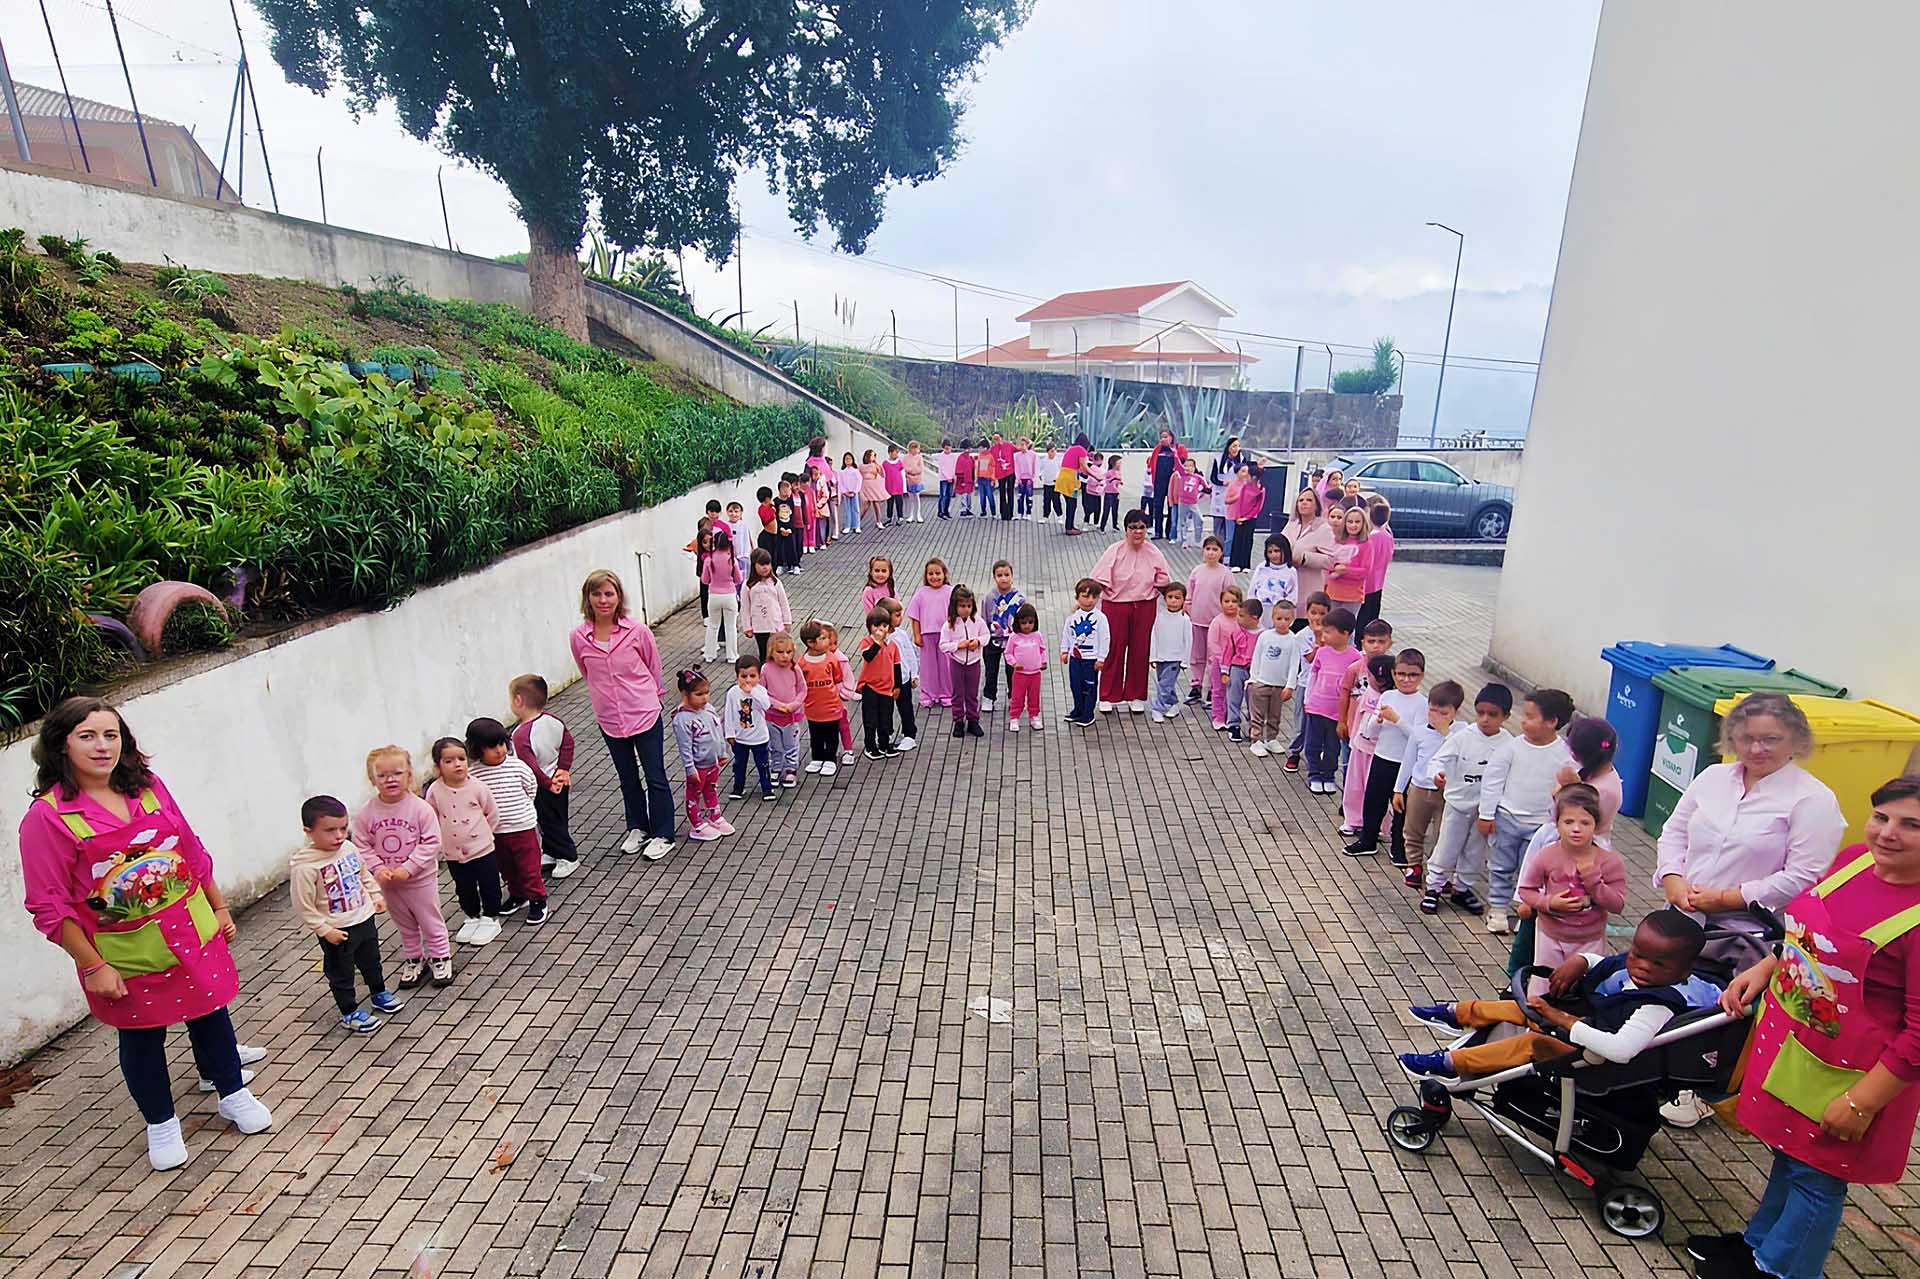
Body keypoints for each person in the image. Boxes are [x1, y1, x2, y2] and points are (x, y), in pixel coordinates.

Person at [18, 698, 272, 1169]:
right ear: (60, 744)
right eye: (87, 736)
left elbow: (191, 849)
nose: (102, 746)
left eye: (111, 735)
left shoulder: (149, 787)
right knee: (142, 1037)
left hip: (190, 931)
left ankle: (232, 1091)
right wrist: (93, 965)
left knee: (211, 1015)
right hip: (124, 952)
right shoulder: (48, 818)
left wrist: (218, 906)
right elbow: (48, 905)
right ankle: (161, 1122)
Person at [1698, 777, 1920, 1279]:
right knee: (1789, 1154)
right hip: (1797, 1046)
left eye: (1912, 825)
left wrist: (1863, 1101)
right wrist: (1767, 966)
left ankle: (1782, 1269)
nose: (1888, 833)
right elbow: (1807, 934)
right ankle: (1758, 1244)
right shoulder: (1855, 861)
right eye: (1882, 817)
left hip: (1853, 1077)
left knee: (1818, 1177)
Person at [1656, 693, 1847, 1130]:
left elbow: (1804, 877)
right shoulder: (1712, 778)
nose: (1756, 749)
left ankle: (1704, 1089)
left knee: (1723, 1008)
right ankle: (1660, 1068)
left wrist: (1729, 898)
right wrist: (1672, 879)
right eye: (1746, 738)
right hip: (1685, 915)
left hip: (1750, 933)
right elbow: (1672, 834)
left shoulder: (1812, 800)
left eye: (1770, 739)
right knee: (1671, 992)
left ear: (1795, 739)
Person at [1398, 910, 1719, 1081]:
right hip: (1589, 1027)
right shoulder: (1634, 966)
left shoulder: (1657, 1006)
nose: (1642, 966)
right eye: (1637, 953)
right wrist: (1580, 962)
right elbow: (1607, 966)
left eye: (1658, 963)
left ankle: (1452, 1064)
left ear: (1683, 972)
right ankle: (1459, 1015)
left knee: (1532, 1040)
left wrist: (1562, 1020)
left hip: (1596, 1059)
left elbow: (1621, 1050)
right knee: (1526, 1007)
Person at [571, 569, 675, 861]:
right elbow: (587, 672)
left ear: (618, 597)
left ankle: (663, 833)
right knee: (627, 777)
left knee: (655, 776)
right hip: (610, 718)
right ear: (587, 599)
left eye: (609, 593)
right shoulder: (579, 637)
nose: (603, 600)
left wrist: (652, 697)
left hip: (643, 712)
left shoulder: (637, 631)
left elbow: (653, 668)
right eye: (597, 594)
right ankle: (638, 827)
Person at [293, 795, 400, 1034]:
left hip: (364, 918)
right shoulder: (305, 867)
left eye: (343, 828)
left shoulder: (349, 848)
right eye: (330, 830)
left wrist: (375, 896)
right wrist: (325, 930)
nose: (339, 836)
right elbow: (304, 906)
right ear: (308, 831)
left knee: (371, 961)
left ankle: (378, 992)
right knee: (341, 972)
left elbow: (363, 874)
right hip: (337, 930)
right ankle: (349, 1012)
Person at [1479, 688, 1577, 935]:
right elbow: (1492, 780)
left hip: (1542, 826)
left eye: (1530, 717)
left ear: (1552, 722)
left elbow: (1572, 789)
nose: (1523, 721)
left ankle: (1526, 913)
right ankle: (1499, 910)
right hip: (1507, 818)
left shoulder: (1564, 754)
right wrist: (1486, 813)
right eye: (1524, 715)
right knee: (1500, 866)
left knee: (1532, 872)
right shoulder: (1512, 748)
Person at [354, 745, 452, 986]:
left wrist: (408, 868)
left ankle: (440, 956)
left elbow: (431, 842)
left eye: (397, 773)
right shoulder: (366, 813)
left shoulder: (420, 809)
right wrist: (378, 869)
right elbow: (361, 845)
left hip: (420, 880)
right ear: (372, 779)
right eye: (383, 775)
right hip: (389, 883)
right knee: (404, 923)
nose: (390, 780)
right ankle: (414, 957)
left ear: (409, 774)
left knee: (429, 919)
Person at [1516, 785, 1629, 989]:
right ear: (1557, 824)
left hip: (1590, 939)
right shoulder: (1547, 855)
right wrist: (1550, 903)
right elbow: (1526, 890)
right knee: (1544, 987)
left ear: (1596, 825)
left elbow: (1617, 904)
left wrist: (1593, 879)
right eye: (1568, 822)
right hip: (1550, 936)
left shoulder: (1609, 861)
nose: (1576, 829)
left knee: (1583, 989)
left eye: (1585, 822)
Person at [1419, 683, 1513, 916]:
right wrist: (1437, 775)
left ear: (1506, 716)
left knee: (1475, 850)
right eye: (1480, 712)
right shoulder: (1463, 737)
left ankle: (1462, 888)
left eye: (1493, 715)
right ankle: (1434, 886)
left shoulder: (1508, 743)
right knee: (1447, 846)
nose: (1485, 719)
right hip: (1458, 804)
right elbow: (1438, 760)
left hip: (1485, 809)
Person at [1348, 649, 1429, 861]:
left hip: (1405, 763)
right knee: (1374, 800)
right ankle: (1368, 839)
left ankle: (1399, 847)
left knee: (1402, 807)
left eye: (1412, 675)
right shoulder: (1388, 696)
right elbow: (1371, 730)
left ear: (1421, 676)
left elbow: (1417, 737)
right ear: (1394, 674)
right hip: (1382, 756)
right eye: (1401, 674)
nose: (1406, 679)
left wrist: (1397, 719)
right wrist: (1379, 720)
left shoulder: (1422, 703)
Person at [466, 717, 548, 926]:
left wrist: (523, 811)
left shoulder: (517, 767)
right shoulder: (473, 773)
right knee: (507, 867)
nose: (499, 750)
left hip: (522, 827)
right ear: (477, 750)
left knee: (529, 867)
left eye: (502, 744)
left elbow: (531, 788)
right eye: (492, 747)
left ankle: (538, 899)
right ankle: (517, 895)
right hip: (495, 832)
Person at [1089, 509, 1172, 713]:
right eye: (1133, 527)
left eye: (1142, 527)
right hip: (1116, 605)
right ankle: (1108, 694)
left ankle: (1136, 694)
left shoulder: (1154, 552)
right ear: (1126, 529)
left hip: (1144, 605)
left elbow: (1164, 580)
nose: (1137, 532)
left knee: (1140, 650)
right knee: (1113, 649)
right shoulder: (1114, 550)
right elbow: (1098, 579)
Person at [426, 737, 503, 947]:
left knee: (488, 883)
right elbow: (430, 818)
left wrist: (486, 836)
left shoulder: (477, 787)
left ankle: (491, 917)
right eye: (449, 761)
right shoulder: (434, 791)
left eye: (461, 758)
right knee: (463, 886)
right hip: (452, 852)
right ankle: (472, 916)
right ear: (438, 766)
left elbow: (492, 814)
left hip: (482, 849)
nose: (457, 764)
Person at [1395, 680, 1466, 890]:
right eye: (1432, 710)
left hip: (1447, 792)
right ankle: (1414, 865)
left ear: (1456, 712)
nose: (1436, 717)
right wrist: (1399, 789)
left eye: (1443, 713)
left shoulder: (1462, 733)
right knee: (1413, 829)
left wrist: (1445, 732)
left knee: (1444, 834)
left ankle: (1439, 871)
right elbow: (1408, 761)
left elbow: (1462, 756)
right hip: (1419, 788)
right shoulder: (1419, 731)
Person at [509, 675, 577, 880]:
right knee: (558, 818)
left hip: (542, 785)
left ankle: (568, 856)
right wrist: (563, 770)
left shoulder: (520, 735)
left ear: (518, 701)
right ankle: (551, 852)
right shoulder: (554, 721)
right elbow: (568, 743)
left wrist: (547, 783)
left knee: (548, 822)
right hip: (559, 780)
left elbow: (529, 766)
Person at [1301, 608, 1360, 794]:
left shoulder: (1355, 657)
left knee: (1333, 747)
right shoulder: (1321, 652)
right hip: (1317, 707)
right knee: (1313, 743)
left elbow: (1356, 688)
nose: (1323, 636)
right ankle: (1314, 774)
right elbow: (1313, 676)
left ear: (1345, 633)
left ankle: (1328, 776)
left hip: (1337, 712)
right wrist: (1307, 700)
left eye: (1328, 632)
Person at [671, 670, 730, 839]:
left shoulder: (708, 710)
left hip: (713, 763)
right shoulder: (682, 719)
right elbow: (685, 747)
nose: (704, 698)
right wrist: (690, 769)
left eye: (706, 693)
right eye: (698, 694)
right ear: (685, 694)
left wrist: (722, 752)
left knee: (711, 789)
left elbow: (717, 733)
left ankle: (715, 815)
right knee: (694, 794)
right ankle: (696, 823)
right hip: (698, 766)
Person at [1340, 654, 1394, 837]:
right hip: (1360, 747)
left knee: (1376, 791)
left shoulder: (1392, 699)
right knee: (1354, 786)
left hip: (1379, 753)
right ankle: (1352, 820)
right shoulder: (1368, 693)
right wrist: (1353, 739)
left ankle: (1379, 825)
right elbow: (1359, 717)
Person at [1245, 600, 1304, 755]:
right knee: (1257, 713)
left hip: (1280, 685)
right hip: (1262, 682)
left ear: (1292, 620)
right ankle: (1255, 739)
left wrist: (1290, 685)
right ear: (1272, 617)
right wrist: (1253, 679)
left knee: (1275, 714)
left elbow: (1294, 664)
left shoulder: (1293, 640)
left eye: (1286, 619)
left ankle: (1271, 738)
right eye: (1279, 618)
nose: (1282, 622)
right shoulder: (1265, 636)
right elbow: (1256, 657)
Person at [1185, 537, 1233, 706]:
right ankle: (1196, 685)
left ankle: (1214, 688)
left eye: (1215, 549)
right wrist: (1189, 609)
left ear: (1221, 552)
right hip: (1197, 620)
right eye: (1208, 549)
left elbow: (1230, 597)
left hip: (1217, 624)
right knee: (1197, 655)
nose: (1211, 553)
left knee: (1214, 657)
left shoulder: (1225, 573)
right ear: (1203, 551)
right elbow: (1189, 594)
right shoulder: (1197, 571)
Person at [799, 620, 850, 776]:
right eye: (822, 638)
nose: (827, 641)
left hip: (831, 705)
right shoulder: (802, 662)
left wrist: (842, 694)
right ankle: (817, 757)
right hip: (813, 706)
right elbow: (800, 683)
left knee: (831, 733)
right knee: (815, 733)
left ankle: (830, 759)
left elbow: (838, 679)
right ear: (810, 643)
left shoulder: (831, 659)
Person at [725, 655, 776, 802]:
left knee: (763, 764)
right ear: (737, 676)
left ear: (759, 676)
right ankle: (738, 787)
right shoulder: (733, 693)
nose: (748, 680)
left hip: (759, 737)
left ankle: (767, 788)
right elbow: (728, 713)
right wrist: (729, 733)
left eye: (752, 676)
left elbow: (766, 706)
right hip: (740, 737)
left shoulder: (760, 691)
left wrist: (752, 691)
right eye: (743, 676)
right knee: (739, 764)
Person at [906, 558, 955, 709]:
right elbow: (915, 617)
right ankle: (927, 694)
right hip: (927, 635)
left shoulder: (951, 592)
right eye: (930, 574)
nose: (934, 577)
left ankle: (946, 694)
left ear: (944, 574)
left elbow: (957, 615)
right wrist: (916, 635)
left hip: (945, 636)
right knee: (928, 667)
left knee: (946, 666)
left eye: (938, 573)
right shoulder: (921, 593)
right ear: (926, 576)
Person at [1061, 579, 1110, 727]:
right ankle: (1078, 709)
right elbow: (1067, 635)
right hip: (1075, 658)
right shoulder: (1072, 618)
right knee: (1075, 685)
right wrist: (1064, 651)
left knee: (1089, 687)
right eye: (1085, 596)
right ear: (1077, 597)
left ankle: (1088, 714)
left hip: (1091, 660)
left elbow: (1105, 638)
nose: (1090, 600)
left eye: (1094, 597)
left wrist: (1101, 658)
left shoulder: (1101, 618)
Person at [942, 585, 988, 738]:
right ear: (955, 606)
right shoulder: (949, 624)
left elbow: (986, 636)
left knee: (972, 693)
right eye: (962, 606)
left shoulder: (978, 621)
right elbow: (943, 645)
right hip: (957, 663)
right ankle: (958, 721)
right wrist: (958, 645)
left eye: (969, 606)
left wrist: (978, 641)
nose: (966, 609)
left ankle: (973, 720)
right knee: (957, 693)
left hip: (974, 663)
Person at [762, 632, 806, 788]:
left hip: (792, 716)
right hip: (772, 716)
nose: (784, 656)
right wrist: (776, 704)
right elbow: (761, 692)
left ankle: (790, 769)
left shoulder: (795, 668)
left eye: (788, 652)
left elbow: (802, 689)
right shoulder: (766, 669)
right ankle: (776, 767)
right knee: (774, 745)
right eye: (780, 652)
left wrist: (794, 705)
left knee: (791, 744)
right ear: (771, 652)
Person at [857, 607, 902, 758]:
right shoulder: (866, 642)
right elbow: (868, 657)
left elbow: (897, 666)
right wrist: (876, 642)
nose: (880, 629)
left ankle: (884, 744)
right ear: (870, 626)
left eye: (884, 626)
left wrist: (897, 686)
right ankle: (870, 746)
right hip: (870, 687)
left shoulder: (893, 646)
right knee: (870, 720)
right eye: (876, 626)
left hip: (887, 688)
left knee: (886, 719)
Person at [981, 561, 1025, 714]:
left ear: (1012, 576)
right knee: (991, 670)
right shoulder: (988, 597)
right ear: (994, 577)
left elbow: (1023, 619)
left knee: (1012, 670)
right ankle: (989, 696)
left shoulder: (1019, 598)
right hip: (992, 640)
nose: (1003, 578)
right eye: (999, 575)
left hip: (1012, 641)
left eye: (1006, 575)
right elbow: (984, 618)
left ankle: (1014, 696)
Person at [1282, 488, 1337, 604]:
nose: (1304, 502)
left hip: (1309, 587)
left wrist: (1305, 558)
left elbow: (1331, 561)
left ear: (1316, 505)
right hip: (1286, 586)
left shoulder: (1324, 529)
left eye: (1309, 500)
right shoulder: (1291, 525)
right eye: (1301, 500)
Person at [1147, 582, 1191, 724]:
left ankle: (1157, 709)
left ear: (1183, 600)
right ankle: (1173, 704)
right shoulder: (1159, 616)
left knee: (1165, 685)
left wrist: (1185, 660)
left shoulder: (1185, 619)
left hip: (1175, 658)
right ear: (1165, 598)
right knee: (1165, 683)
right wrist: (1153, 656)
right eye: (1170, 597)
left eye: (1177, 598)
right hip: (1161, 657)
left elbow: (1189, 640)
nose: (1173, 600)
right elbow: (1154, 636)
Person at [742, 549, 792, 664]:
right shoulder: (748, 585)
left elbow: (783, 603)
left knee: (777, 652)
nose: (765, 568)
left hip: (776, 624)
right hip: (759, 626)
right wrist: (747, 627)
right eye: (761, 565)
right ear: (754, 565)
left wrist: (787, 621)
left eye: (767, 564)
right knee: (764, 654)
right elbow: (745, 608)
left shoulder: (775, 583)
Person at [699, 529, 742, 662]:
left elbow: (705, 580)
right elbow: (738, 579)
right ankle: (732, 656)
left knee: (713, 625)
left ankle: (709, 655)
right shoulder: (732, 560)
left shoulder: (709, 559)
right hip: (729, 596)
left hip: (714, 596)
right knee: (731, 627)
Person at [1003, 603, 1048, 732]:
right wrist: (1014, 663)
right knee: (1017, 696)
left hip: (1035, 674)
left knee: (1034, 696)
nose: (1027, 626)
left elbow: (1042, 649)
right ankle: (1014, 717)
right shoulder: (1014, 637)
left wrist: (1043, 661)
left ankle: (1034, 716)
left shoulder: (1037, 635)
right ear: (1018, 623)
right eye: (1024, 623)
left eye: (1030, 622)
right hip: (1020, 674)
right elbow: (1008, 653)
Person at [884, 598, 919, 751]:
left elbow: (911, 654)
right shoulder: (880, 638)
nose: (901, 618)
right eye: (897, 615)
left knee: (905, 707)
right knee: (886, 709)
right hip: (885, 681)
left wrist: (914, 674)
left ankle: (909, 735)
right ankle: (888, 733)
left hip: (903, 679)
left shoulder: (901, 635)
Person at [1356, 498, 1395, 632]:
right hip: (1379, 582)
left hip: (1366, 583)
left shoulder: (1370, 537)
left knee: (1362, 616)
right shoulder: (1388, 536)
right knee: (1373, 613)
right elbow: (1389, 556)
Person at [1324, 504, 1371, 615]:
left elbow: (1365, 571)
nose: (1353, 525)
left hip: (1352, 595)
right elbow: (1328, 562)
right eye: (1350, 522)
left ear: (1363, 524)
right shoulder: (1337, 540)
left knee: (1347, 627)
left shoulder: (1366, 544)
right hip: (1333, 592)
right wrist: (1334, 569)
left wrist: (1346, 571)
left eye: (1357, 522)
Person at [1245, 535, 1298, 628]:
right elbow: (1252, 591)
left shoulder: (1290, 571)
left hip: (1280, 614)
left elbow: (1293, 596)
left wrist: (1283, 612)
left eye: (1277, 551)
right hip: (1261, 611)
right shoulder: (1261, 568)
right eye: (1270, 552)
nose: (1273, 555)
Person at [1145, 428, 1189, 540]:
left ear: (1171, 437)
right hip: (1159, 482)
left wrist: (1174, 452)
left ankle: (1170, 532)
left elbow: (1184, 462)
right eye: (1161, 437)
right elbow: (1151, 463)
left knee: (1172, 507)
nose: (1163, 439)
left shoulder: (1179, 448)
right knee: (1157, 506)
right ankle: (1157, 532)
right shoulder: (1158, 449)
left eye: (1166, 437)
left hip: (1173, 483)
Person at [1226, 462, 1265, 571]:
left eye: (1247, 475)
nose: (1245, 477)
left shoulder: (1261, 489)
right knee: (1237, 539)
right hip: (1240, 517)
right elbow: (1239, 503)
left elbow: (1258, 507)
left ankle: (1245, 564)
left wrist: (1247, 517)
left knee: (1247, 540)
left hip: (1251, 518)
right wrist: (1239, 516)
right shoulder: (1245, 487)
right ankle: (1235, 563)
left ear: (1253, 477)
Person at [1208, 438, 1245, 544]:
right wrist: (1223, 483)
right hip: (1220, 496)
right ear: (1228, 447)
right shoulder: (1218, 459)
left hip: (1234, 498)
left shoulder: (1242, 460)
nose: (1236, 449)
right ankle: (1218, 546)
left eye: (1238, 446)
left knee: (1229, 529)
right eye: (1233, 446)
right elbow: (1213, 477)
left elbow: (1245, 477)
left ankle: (1227, 551)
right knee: (1217, 527)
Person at [859, 450, 888, 531]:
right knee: (865, 506)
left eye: (874, 455)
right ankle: (857, 522)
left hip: (874, 485)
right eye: (872, 455)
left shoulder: (876, 465)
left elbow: (882, 474)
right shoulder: (861, 466)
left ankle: (879, 521)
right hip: (865, 485)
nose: (873, 457)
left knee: (876, 503)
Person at [992, 433, 1016, 520]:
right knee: (1002, 493)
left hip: (1010, 472)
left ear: (1001, 438)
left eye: (997, 438)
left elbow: (1019, 449)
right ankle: (1003, 513)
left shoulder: (1009, 445)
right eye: (994, 439)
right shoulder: (993, 449)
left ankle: (1010, 514)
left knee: (1010, 492)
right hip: (1000, 474)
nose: (996, 440)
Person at [837, 451, 863, 532]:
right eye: (846, 459)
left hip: (854, 493)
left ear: (853, 460)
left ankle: (856, 525)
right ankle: (847, 526)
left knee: (855, 509)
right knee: (846, 509)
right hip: (846, 493)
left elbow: (859, 481)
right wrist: (845, 492)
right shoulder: (841, 472)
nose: (848, 460)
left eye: (849, 459)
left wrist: (855, 491)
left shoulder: (856, 471)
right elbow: (840, 483)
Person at [1013, 437, 1037, 520]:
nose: (1022, 447)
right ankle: (1020, 513)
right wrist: (1018, 478)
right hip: (1021, 478)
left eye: (1023, 445)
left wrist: (1033, 477)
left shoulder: (1032, 455)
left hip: (1029, 478)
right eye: (1020, 445)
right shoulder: (1017, 456)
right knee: (1020, 497)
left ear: (1027, 445)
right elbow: (1017, 468)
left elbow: (1034, 466)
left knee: (1029, 496)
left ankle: (1028, 513)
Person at [882, 444, 907, 525]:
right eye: (895, 453)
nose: (896, 454)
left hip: (898, 486)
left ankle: (900, 517)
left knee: (899, 502)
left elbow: (903, 475)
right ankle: (889, 518)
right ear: (890, 453)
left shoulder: (900, 463)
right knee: (890, 503)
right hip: (889, 487)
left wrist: (904, 488)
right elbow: (883, 476)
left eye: (897, 453)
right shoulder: (885, 464)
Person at [903, 440, 927, 523]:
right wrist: (911, 471)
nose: (914, 450)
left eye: (916, 448)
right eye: (912, 448)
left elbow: (920, 469)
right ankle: (911, 515)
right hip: (909, 479)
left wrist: (912, 471)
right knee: (910, 498)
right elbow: (905, 468)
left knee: (917, 497)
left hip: (917, 479)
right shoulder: (906, 457)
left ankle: (918, 515)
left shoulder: (919, 457)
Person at [1100, 453, 1125, 531]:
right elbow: (1103, 479)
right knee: (1106, 510)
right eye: (1119, 463)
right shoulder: (1109, 472)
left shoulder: (1118, 472)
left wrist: (1119, 482)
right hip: (1108, 493)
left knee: (1115, 510)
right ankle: (1102, 527)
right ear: (1113, 463)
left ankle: (1115, 525)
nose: (1120, 465)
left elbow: (1118, 481)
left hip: (1116, 493)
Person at [1037, 444, 1062, 521]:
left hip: (1055, 483)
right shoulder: (1044, 460)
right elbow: (1040, 469)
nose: (1053, 453)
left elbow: (1061, 470)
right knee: (1046, 501)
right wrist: (1040, 475)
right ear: (1048, 452)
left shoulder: (1058, 460)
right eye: (1052, 451)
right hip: (1047, 483)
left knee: (1056, 500)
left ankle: (1059, 516)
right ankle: (1045, 516)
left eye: (1054, 451)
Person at [936, 441, 959, 519]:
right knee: (943, 495)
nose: (948, 450)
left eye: (949, 448)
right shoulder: (941, 456)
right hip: (943, 478)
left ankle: (946, 510)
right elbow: (942, 468)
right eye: (946, 448)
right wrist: (947, 477)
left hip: (951, 478)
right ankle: (940, 511)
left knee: (949, 495)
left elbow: (954, 467)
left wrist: (953, 476)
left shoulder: (953, 456)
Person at [955, 441, 977, 518]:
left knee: (969, 495)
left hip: (970, 480)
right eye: (966, 448)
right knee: (964, 495)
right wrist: (961, 480)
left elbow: (973, 469)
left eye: (968, 448)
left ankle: (968, 509)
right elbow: (958, 470)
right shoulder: (960, 458)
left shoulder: (971, 458)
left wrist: (973, 479)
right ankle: (963, 510)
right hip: (963, 479)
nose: (967, 450)